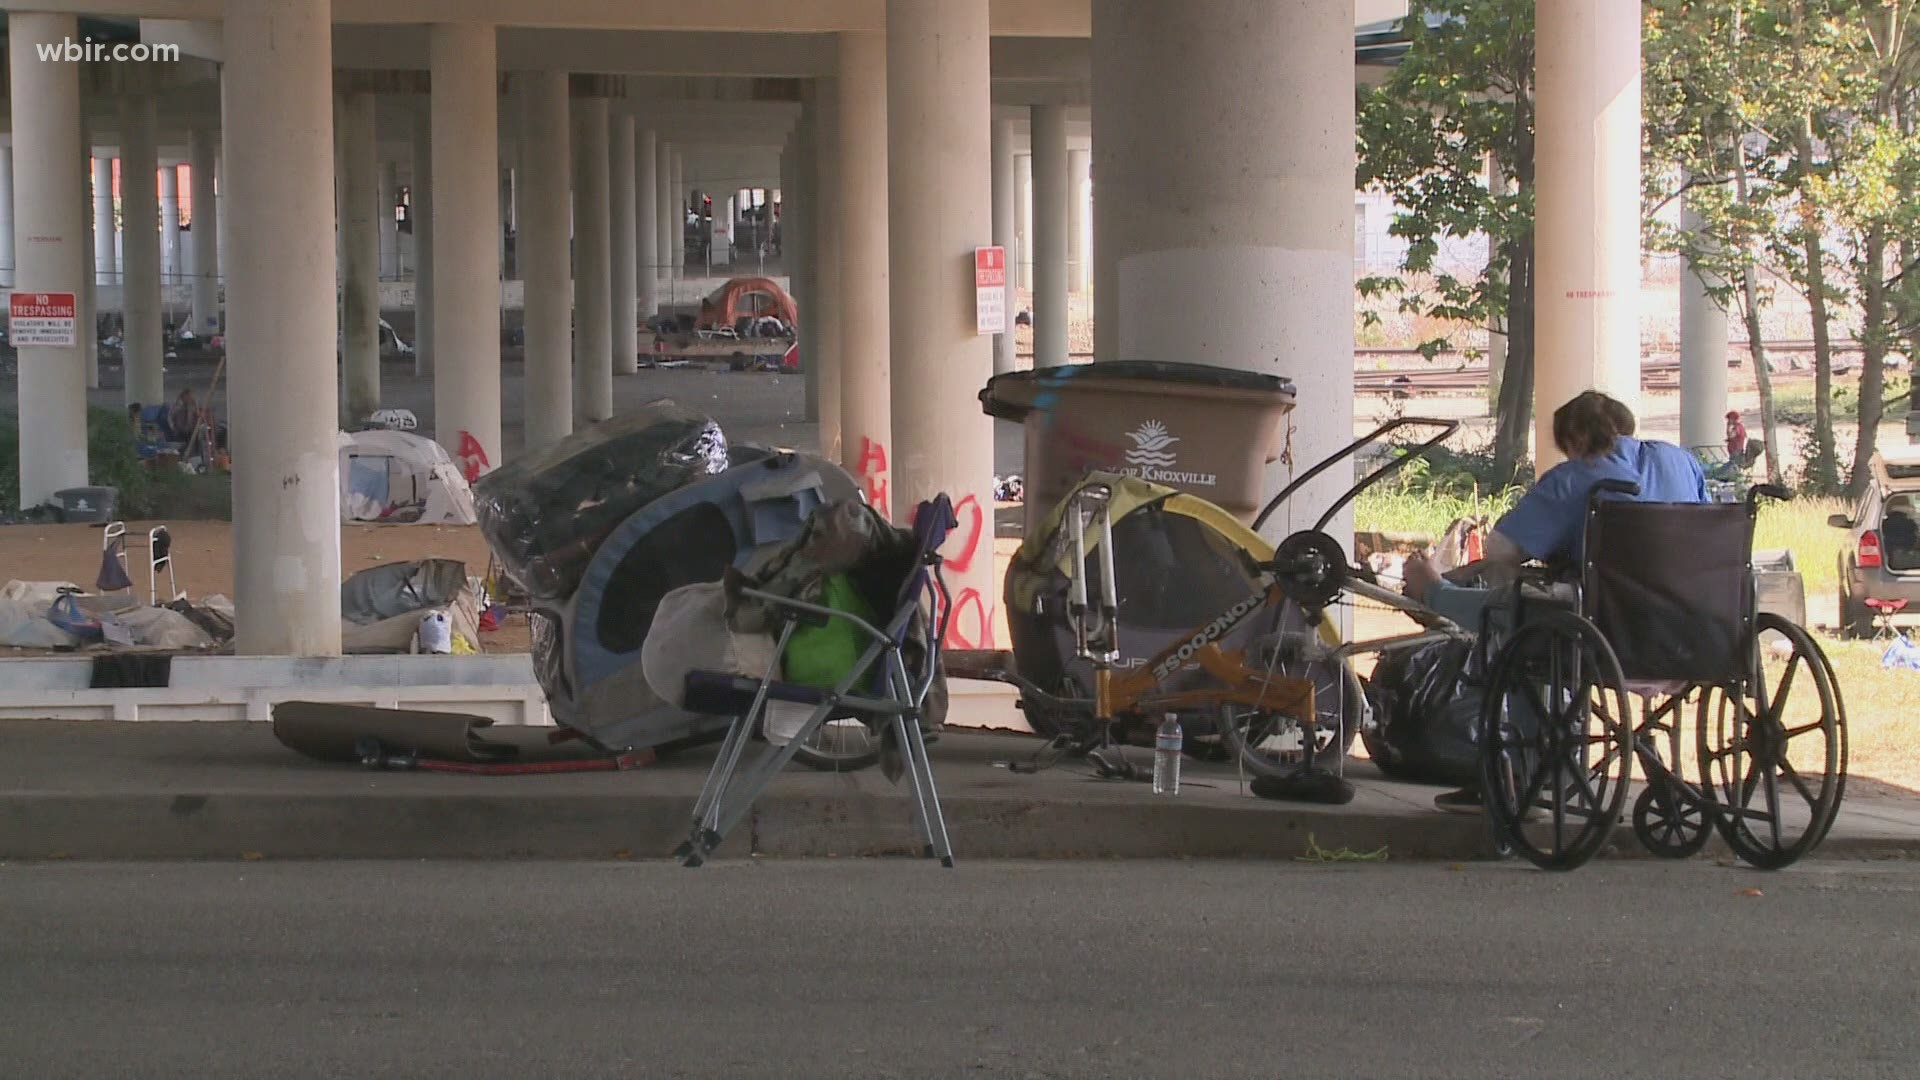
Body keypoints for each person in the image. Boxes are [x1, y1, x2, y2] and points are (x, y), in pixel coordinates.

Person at [1400, 390, 1708, 813]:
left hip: (1606, 633)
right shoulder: (1683, 463)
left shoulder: (1579, 476)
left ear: (1577, 437)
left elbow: (1502, 549)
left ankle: (1530, 772)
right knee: (1546, 614)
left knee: (1517, 620)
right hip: (1689, 635)